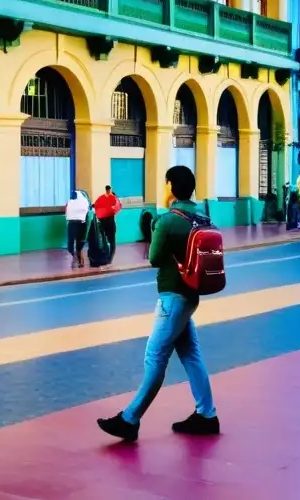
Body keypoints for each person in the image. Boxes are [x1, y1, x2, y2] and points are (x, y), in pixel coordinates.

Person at [97, 166, 218, 441]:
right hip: (190, 296)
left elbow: (153, 257)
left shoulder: (167, 221)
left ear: (172, 186)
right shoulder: (202, 216)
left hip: (172, 298)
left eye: (165, 184)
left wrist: (156, 229)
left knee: (154, 357)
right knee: (190, 354)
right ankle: (207, 414)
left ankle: (130, 419)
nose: (164, 189)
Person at [94, 186, 122, 261]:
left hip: (109, 225)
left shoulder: (114, 203)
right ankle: (107, 257)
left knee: (110, 241)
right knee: (106, 241)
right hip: (105, 224)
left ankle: (109, 258)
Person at [65, 190, 90, 268]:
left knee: (75, 244)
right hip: (79, 224)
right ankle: (78, 259)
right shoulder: (84, 202)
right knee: (76, 244)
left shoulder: (72, 202)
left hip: (76, 224)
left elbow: (66, 211)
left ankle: (78, 260)